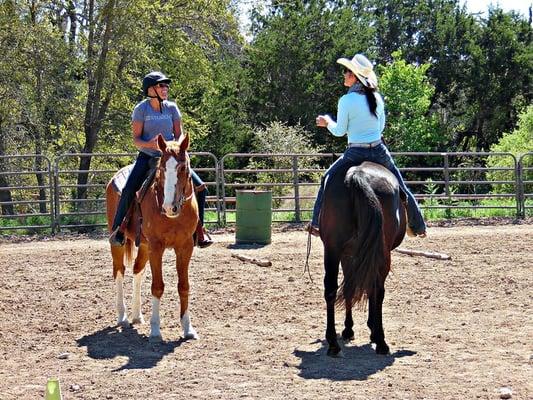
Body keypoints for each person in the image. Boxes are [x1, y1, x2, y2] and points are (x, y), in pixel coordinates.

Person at [308, 54, 426, 238]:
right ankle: (418, 225)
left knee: (327, 178)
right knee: (401, 187)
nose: (344, 75)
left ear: (354, 76)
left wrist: (327, 122)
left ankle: (316, 224)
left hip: (355, 152)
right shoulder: (377, 98)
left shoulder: (346, 101)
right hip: (378, 150)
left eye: (346, 72)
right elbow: (381, 127)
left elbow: (339, 131)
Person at [109, 71, 213, 248]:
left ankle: (200, 230)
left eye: (166, 85)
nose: (165, 88)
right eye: (161, 85)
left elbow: (179, 134)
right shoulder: (141, 110)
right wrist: (151, 145)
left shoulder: (172, 108)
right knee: (128, 189)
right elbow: (136, 139)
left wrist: (175, 146)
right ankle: (119, 229)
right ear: (150, 89)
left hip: (172, 158)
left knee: (201, 188)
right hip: (148, 157)